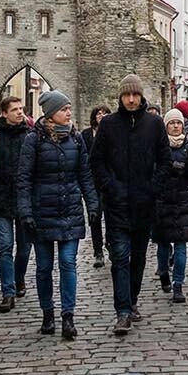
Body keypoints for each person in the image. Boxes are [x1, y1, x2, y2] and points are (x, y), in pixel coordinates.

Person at [90, 74, 169, 335]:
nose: (131, 99)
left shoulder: (155, 124)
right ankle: (122, 311)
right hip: (117, 204)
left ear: (141, 96)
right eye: (127, 95)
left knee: (138, 258)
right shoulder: (110, 124)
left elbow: (165, 161)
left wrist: (153, 188)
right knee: (120, 258)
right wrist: (110, 187)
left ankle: (132, 300)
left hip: (144, 204)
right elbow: (97, 161)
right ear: (121, 97)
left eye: (135, 95)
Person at [19, 90, 99, 339]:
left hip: (69, 209)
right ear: (51, 113)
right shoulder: (34, 140)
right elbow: (24, 178)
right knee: (43, 266)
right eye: (64, 109)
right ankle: (47, 313)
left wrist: (93, 203)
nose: (68, 112)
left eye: (68, 108)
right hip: (43, 210)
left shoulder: (76, 138)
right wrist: (25, 211)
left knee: (68, 263)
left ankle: (68, 316)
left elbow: (85, 174)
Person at [0, 96, 31, 312]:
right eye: (15, 109)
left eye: (21, 109)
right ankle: (8, 291)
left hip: (24, 201)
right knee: (4, 247)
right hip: (0, 200)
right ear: (4, 113)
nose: (20, 112)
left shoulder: (31, 137)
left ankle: (19, 277)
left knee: (24, 249)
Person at [154, 109, 188, 303]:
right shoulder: (159, 147)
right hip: (163, 201)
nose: (175, 126)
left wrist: (186, 168)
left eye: (178, 123)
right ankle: (164, 272)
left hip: (184, 201)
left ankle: (178, 285)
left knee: (181, 246)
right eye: (171, 123)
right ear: (166, 126)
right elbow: (154, 171)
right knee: (163, 245)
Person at [82, 106, 110, 269]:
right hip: (92, 181)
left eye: (105, 113)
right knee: (95, 217)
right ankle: (98, 251)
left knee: (111, 216)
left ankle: (110, 243)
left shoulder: (113, 132)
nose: (102, 116)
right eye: (99, 113)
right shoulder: (86, 134)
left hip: (108, 180)